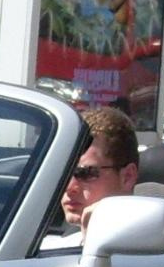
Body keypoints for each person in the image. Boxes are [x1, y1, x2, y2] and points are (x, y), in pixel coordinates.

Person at [41, 104, 140, 249]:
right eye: (64, 172)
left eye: (86, 173)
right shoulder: (52, 247)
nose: (69, 187)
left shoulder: (154, 256)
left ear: (127, 177)